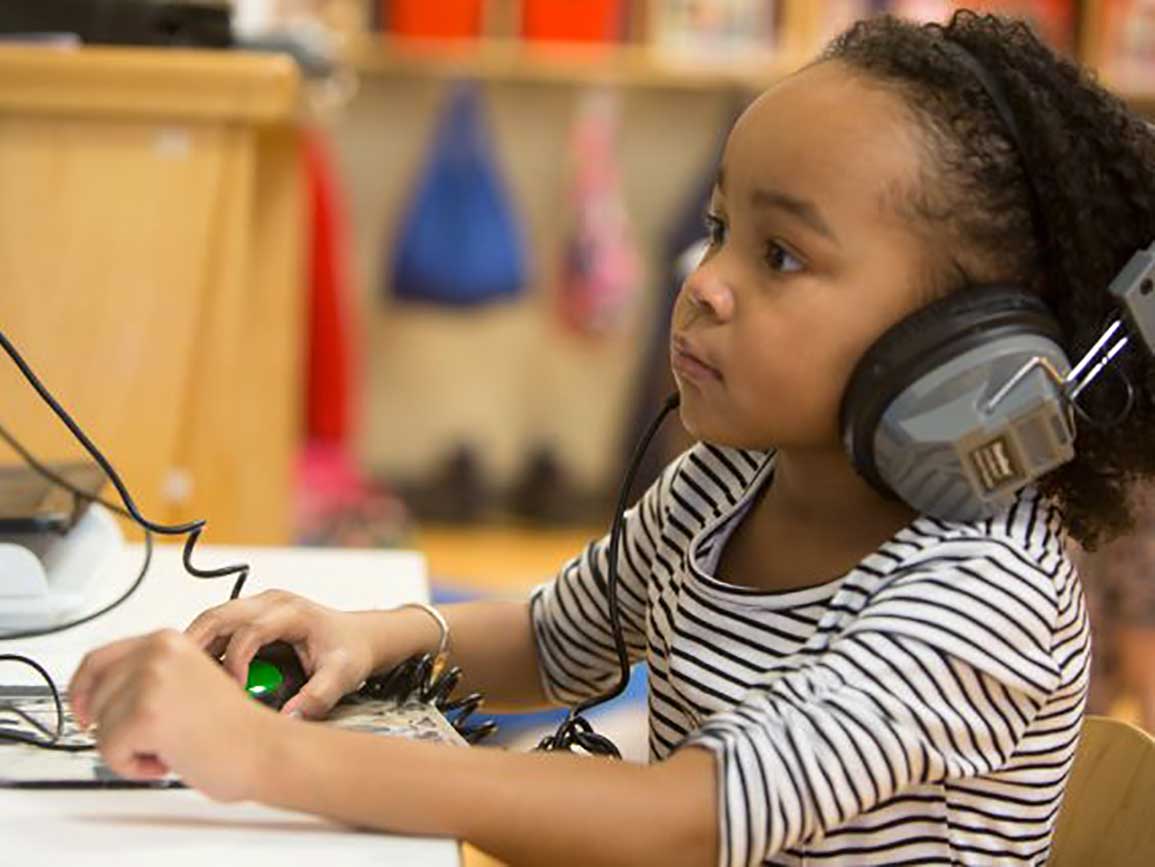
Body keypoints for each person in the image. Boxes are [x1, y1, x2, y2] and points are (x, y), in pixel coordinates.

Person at [66, 11, 1155, 866]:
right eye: (721, 231)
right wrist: (369, 634)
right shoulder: (729, 479)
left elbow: (692, 820)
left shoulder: (983, 591)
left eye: (780, 258)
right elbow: (554, 641)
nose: (704, 284)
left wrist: (265, 757)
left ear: (965, 347)